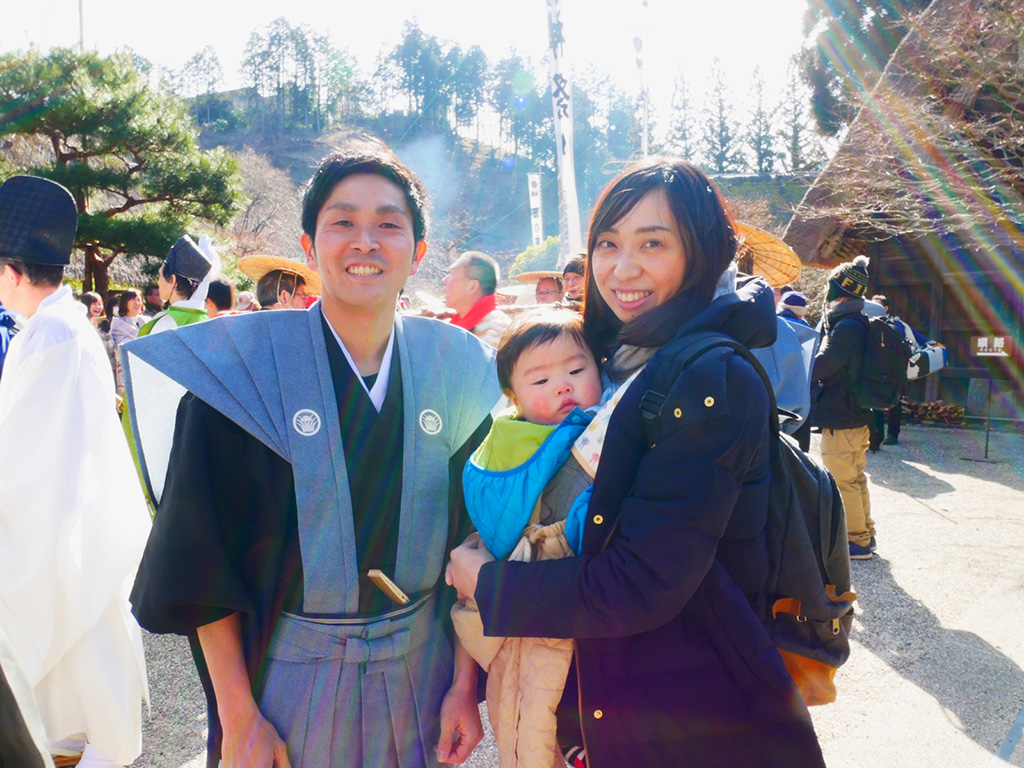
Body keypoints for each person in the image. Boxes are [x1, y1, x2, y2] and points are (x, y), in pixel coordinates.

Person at [125, 138, 499, 768]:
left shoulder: (458, 370)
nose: (365, 241)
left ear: (419, 252)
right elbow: (200, 553)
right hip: (288, 674)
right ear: (308, 247)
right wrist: (238, 715)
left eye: (388, 224)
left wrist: (465, 686)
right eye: (342, 222)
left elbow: (476, 536)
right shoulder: (242, 375)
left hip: (423, 667)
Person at [448, 158, 825, 767]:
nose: (623, 269)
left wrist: (490, 585)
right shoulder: (609, 357)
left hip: (678, 713)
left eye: (653, 243)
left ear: (700, 252)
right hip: (601, 694)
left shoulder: (711, 378)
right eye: (608, 243)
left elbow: (640, 584)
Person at [0, 175, 150, 768]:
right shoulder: (59, 327)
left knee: (62, 721)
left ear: (12, 270)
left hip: (60, 548)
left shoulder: (54, 335)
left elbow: (26, 467)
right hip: (73, 538)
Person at [453, 309, 603, 768]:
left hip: (551, 624)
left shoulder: (609, 427)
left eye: (576, 371)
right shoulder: (515, 446)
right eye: (540, 381)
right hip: (536, 618)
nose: (563, 386)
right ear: (512, 397)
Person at [811, 256, 875, 560]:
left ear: (840, 290)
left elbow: (827, 365)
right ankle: (866, 533)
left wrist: (802, 366)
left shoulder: (846, 326)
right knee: (856, 476)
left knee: (843, 479)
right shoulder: (856, 321)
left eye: (830, 287)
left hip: (842, 414)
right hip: (855, 413)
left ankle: (856, 540)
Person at [140, 235, 217, 337]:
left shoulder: (167, 324)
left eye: (160, 277)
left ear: (172, 280)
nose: (158, 282)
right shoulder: (206, 320)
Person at [442, 251, 511, 347]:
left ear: (472, 286)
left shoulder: (495, 331)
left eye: (452, 274)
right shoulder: (456, 323)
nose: (444, 280)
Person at [239, 255, 319, 311]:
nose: (305, 303)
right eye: (303, 296)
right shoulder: (289, 331)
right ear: (284, 297)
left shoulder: (243, 326)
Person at [110, 288, 145, 396]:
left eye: (139, 300)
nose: (137, 303)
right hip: (126, 369)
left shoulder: (148, 321)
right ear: (125, 302)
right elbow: (118, 346)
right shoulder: (117, 323)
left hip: (145, 368)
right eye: (133, 300)